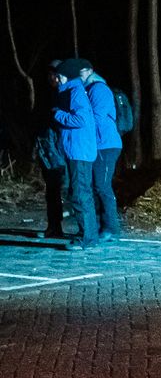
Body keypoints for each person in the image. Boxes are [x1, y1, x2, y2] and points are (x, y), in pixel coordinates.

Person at [54, 58, 98, 251]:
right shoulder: (74, 91)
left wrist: (57, 114)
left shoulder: (75, 93)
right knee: (79, 192)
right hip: (79, 151)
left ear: (67, 76)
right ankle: (88, 234)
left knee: (80, 194)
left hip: (80, 152)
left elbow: (80, 119)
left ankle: (87, 237)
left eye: (60, 76)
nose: (57, 79)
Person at [78, 60, 124, 242]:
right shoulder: (88, 89)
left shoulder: (99, 89)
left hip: (106, 144)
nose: (79, 76)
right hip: (97, 144)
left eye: (82, 72)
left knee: (102, 186)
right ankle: (103, 226)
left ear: (90, 71)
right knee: (97, 186)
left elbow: (96, 117)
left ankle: (111, 228)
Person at [33, 61, 67, 239]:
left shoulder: (64, 94)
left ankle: (84, 229)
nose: (51, 78)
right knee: (52, 189)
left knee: (65, 188)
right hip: (48, 148)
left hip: (59, 149)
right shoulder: (47, 94)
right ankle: (54, 226)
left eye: (53, 75)